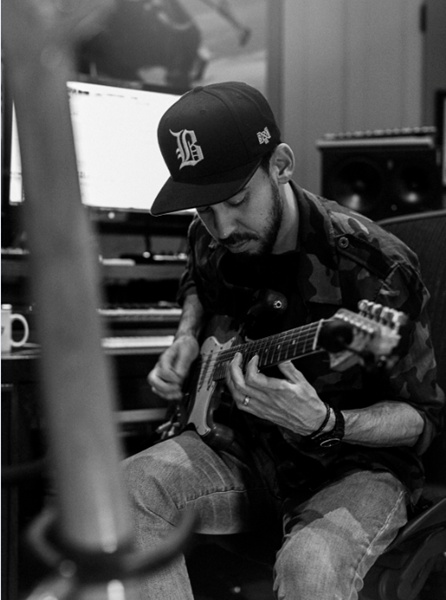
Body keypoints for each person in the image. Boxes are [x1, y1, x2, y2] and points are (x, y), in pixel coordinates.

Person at [123, 81, 445, 599]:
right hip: (239, 448)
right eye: (204, 210)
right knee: (123, 493)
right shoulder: (209, 235)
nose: (222, 228)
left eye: (236, 200)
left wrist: (328, 421)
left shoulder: (378, 267)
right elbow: (197, 280)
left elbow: (424, 421)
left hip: (349, 466)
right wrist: (186, 337)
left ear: (281, 165)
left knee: (310, 568)